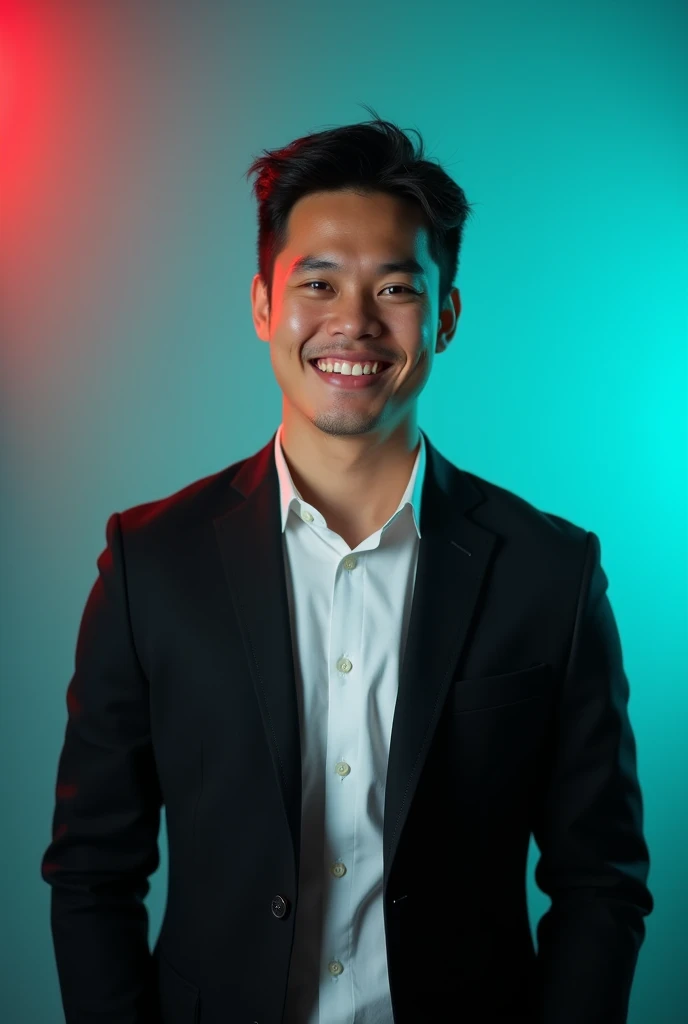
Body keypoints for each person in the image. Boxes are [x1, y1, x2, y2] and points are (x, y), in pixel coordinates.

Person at [41, 109, 654, 1024]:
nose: (353, 324)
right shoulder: (149, 564)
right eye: (317, 283)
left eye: (396, 289)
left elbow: (599, 881)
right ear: (262, 305)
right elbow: (93, 871)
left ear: (443, 317)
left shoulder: (550, 574)